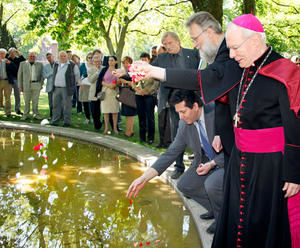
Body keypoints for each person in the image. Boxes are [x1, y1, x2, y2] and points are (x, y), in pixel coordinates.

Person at [130, 13, 300, 248]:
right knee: (238, 218)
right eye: (228, 49)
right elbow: (208, 82)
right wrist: (154, 72)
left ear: (253, 41)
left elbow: (295, 127)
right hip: (240, 159)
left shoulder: (286, 72)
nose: (231, 55)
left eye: (234, 48)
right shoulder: (241, 65)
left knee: (263, 221)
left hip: (270, 165)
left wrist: (293, 173)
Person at [127, 89, 224, 234]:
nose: (180, 117)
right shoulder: (184, 124)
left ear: (196, 106)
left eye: (183, 111)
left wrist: (213, 164)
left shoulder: (218, 113)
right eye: (178, 112)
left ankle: (223, 219)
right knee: (185, 185)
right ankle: (215, 208)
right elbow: (170, 153)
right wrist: (144, 178)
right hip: (204, 161)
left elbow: (235, 147)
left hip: (227, 161)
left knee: (212, 184)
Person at [152, 31, 200, 179]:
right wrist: (127, 71)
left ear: (178, 41)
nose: (167, 46)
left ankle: (201, 161)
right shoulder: (162, 58)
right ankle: (178, 167)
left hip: (194, 101)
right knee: (177, 133)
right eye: (165, 44)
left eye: (170, 43)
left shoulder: (193, 55)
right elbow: (146, 70)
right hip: (175, 104)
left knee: (200, 131)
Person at [132, 53, 159, 144]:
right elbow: (133, 83)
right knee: (141, 116)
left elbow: (156, 83)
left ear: (149, 60)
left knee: (150, 117)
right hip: (139, 96)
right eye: (141, 60)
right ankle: (142, 137)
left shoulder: (152, 70)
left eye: (145, 59)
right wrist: (138, 90)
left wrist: (148, 91)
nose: (143, 61)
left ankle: (150, 138)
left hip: (149, 96)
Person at [51, 51, 80, 127]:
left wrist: (74, 86)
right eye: (61, 56)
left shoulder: (72, 65)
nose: (63, 57)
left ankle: (66, 122)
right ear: (58, 57)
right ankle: (55, 121)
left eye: (64, 56)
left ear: (67, 57)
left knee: (67, 106)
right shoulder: (56, 64)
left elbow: (77, 76)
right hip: (56, 88)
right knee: (56, 105)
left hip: (66, 89)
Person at [18, 52, 44, 120]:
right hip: (26, 85)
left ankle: (36, 114)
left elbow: (42, 75)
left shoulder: (39, 64)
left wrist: (41, 84)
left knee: (35, 101)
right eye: (31, 56)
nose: (32, 57)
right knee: (26, 101)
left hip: (36, 84)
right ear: (28, 57)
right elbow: (19, 75)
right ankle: (25, 114)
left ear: (35, 57)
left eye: (33, 56)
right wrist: (20, 86)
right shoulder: (23, 64)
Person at [99, 56, 119, 134]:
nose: (110, 62)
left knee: (114, 111)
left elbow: (118, 80)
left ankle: (115, 128)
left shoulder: (117, 71)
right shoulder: (104, 70)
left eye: (112, 60)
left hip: (114, 92)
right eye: (109, 60)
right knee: (105, 111)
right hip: (105, 92)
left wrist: (113, 84)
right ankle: (106, 128)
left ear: (115, 62)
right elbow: (100, 81)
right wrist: (108, 85)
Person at [118, 56, 137, 138]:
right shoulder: (123, 71)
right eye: (124, 63)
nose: (125, 64)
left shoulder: (133, 71)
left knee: (130, 113)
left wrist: (125, 81)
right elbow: (118, 81)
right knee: (126, 113)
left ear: (130, 62)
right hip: (124, 93)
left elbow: (135, 82)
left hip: (131, 93)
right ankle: (129, 131)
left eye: (127, 62)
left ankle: (129, 132)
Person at [7, 47, 26, 115]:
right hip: (9, 80)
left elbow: (24, 61)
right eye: (11, 52)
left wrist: (19, 54)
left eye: (14, 52)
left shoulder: (18, 60)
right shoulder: (7, 60)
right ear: (9, 53)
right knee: (7, 96)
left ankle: (17, 109)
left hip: (16, 79)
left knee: (17, 95)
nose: (13, 54)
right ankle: (8, 110)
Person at [0, 48, 17, 117]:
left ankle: (8, 112)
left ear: (5, 54)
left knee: (7, 98)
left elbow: (15, 69)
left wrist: (10, 63)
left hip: (7, 81)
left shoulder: (8, 61)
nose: (2, 55)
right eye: (0, 53)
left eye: (3, 53)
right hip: (0, 81)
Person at [87, 54, 103, 131]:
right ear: (93, 62)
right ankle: (97, 125)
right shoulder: (90, 69)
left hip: (102, 92)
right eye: (95, 62)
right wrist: (97, 72)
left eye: (99, 61)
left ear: (101, 61)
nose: (97, 63)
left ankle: (105, 125)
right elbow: (91, 80)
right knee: (94, 111)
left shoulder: (104, 69)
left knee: (102, 109)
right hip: (93, 92)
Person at [79, 52, 93, 124]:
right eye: (89, 57)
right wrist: (80, 83)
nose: (90, 59)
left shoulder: (95, 66)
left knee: (93, 103)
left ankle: (94, 117)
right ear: (87, 58)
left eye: (91, 57)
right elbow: (78, 76)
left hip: (92, 86)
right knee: (85, 103)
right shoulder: (83, 66)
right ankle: (87, 118)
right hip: (84, 86)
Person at [43, 52, 55, 119]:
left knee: (58, 102)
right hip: (50, 86)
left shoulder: (58, 65)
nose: (49, 59)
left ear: (53, 57)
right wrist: (51, 72)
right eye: (48, 58)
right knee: (51, 102)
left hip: (57, 86)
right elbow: (44, 75)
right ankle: (51, 115)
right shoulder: (46, 66)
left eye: (50, 57)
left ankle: (59, 115)